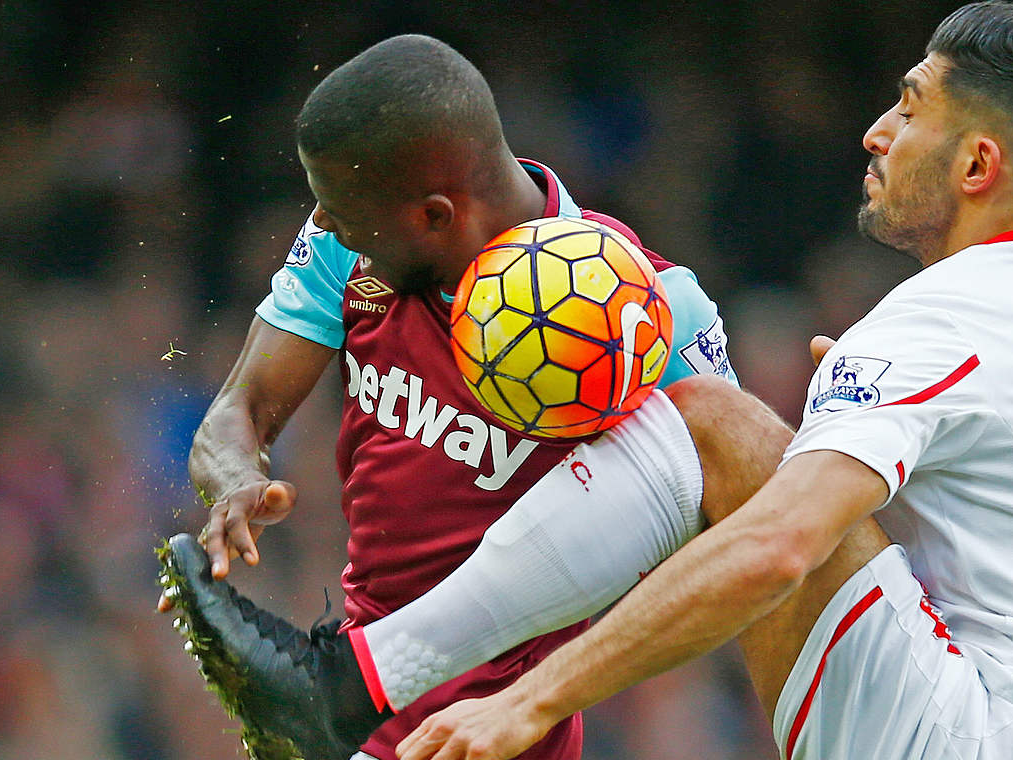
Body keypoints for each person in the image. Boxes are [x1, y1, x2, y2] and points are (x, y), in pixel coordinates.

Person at [389, 3, 1013, 759]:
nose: (876, 131)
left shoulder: (938, 320)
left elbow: (776, 551)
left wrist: (529, 704)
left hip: (998, 738)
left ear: (977, 165)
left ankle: (376, 668)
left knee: (721, 429)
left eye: (909, 106)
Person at [157, 33, 792, 760]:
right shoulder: (354, 239)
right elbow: (242, 409)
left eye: (339, 210)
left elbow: (740, 534)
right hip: (348, 705)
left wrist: (563, 684)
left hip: (499, 734)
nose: (325, 224)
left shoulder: (647, 311)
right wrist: (237, 478)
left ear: (435, 214)